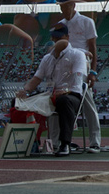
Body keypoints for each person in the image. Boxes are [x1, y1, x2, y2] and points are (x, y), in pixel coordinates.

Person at [16, 27, 88, 157]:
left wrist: (64, 91)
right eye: (54, 37)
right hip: (49, 95)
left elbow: (78, 79)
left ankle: (65, 143)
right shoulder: (47, 58)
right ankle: (29, 142)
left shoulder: (77, 55)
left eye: (58, 37)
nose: (54, 40)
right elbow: (37, 78)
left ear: (66, 37)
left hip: (71, 96)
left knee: (64, 101)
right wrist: (25, 90)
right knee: (19, 102)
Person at [56, 0, 101, 153]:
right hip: (64, 66)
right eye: (61, 7)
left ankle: (95, 142)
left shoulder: (86, 21)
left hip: (83, 64)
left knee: (88, 102)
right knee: (59, 100)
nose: (63, 10)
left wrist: (93, 72)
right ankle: (58, 142)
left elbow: (93, 48)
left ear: (72, 5)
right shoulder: (60, 24)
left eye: (65, 6)